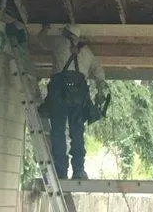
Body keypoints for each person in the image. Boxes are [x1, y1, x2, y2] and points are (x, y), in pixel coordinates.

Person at [37, 24, 107, 180]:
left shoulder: (58, 42)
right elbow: (99, 73)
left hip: (59, 96)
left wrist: (44, 29)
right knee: (77, 133)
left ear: (66, 33)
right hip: (79, 99)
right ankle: (78, 171)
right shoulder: (88, 53)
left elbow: (41, 41)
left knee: (58, 132)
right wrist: (101, 90)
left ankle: (61, 172)